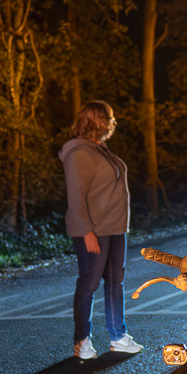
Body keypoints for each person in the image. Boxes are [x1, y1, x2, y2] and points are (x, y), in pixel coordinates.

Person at [60, 100, 141, 360]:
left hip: (115, 229)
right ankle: (81, 342)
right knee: (89, 283)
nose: (112, 122)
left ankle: (118, 337)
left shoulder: (99, 149)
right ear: (96, 121)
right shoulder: (78, 153)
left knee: (115, 283)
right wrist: (86, 232)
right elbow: (76, 196)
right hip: (94, 230)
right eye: (108, 118)